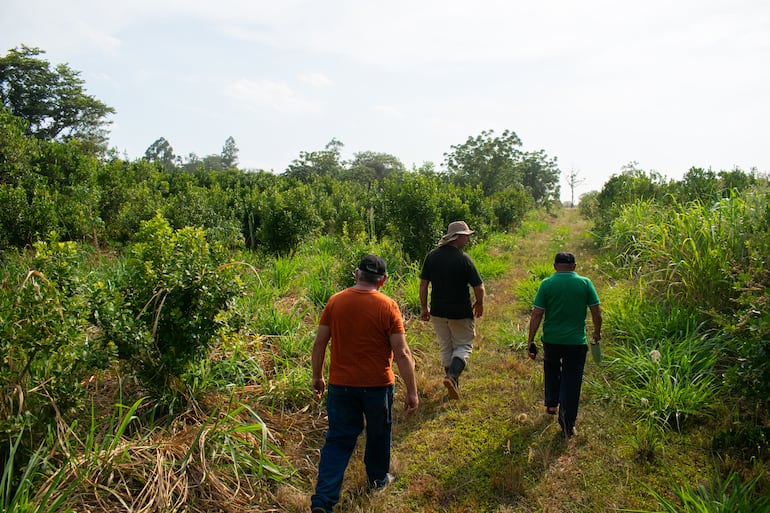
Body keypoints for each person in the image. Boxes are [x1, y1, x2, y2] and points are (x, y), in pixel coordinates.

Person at [310, 254, 419, 513]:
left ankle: (323, 501)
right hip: (377, 385)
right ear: (383, 280)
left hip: (340, 385)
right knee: (379, 433)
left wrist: (317, 376)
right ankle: (378, 479)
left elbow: (320, 342)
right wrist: (412, 391)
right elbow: (402, 352)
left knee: (338, 440)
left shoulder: (335, 302)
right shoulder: (388, 306)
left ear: (356, 274)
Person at [527, 251, 602, 438]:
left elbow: (537, 314)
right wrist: (597, 333)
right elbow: (596, 313)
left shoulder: (547, 284)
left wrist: (530, 340)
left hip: (552, 340)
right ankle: (568, 424)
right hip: (576, 342)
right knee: (572, 381)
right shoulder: (585, 283)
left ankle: (552, 403)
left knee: (551, 368)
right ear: (574, 267)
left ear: (554, 266)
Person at [419, 221, 485, 400]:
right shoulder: (463, 259)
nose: (468, 239)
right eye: (466, 236)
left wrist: (424, 307)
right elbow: (479, 287)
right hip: (460, 311)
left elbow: (423, 285)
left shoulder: (432, 256)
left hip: (438, 311)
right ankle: (452, 376)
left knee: (446, 346)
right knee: (463, 345)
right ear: (458, 237)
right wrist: (479, 303)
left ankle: (453, 383)